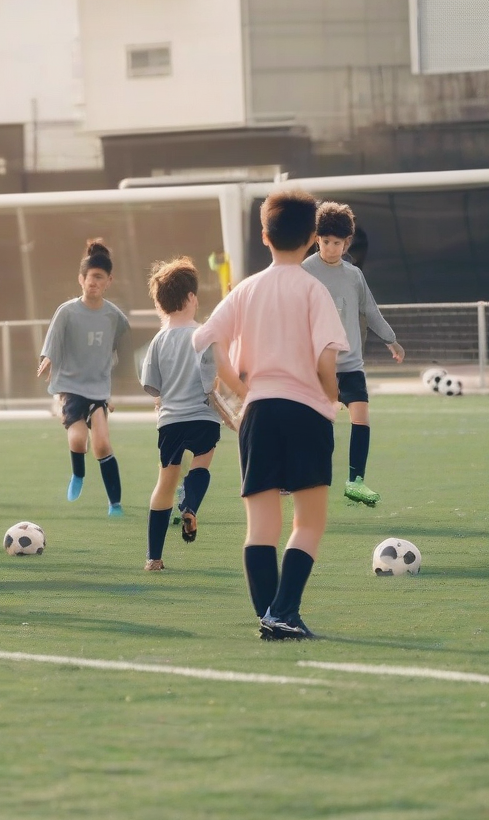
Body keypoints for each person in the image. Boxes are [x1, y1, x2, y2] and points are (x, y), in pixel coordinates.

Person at [193, 189, 348, 640]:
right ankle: (283, 613)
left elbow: (205, 340)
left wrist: (243, 390)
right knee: (309, 522)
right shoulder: (313, 290)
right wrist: (332, 396)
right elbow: (325, 362)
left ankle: (272, 618)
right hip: (305, 414)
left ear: (264, 236)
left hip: (258, 414)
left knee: (261, 526)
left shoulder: (245, 289)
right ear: (313, 238)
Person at [302, 202, 404, 507]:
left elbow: (369, 310)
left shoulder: (354, 275)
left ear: (347, 243)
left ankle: (356, 481)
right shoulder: (304, 271)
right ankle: (306, 477)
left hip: (350, 364)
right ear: (316, 238)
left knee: (361, 418)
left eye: (339, 243)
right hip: (319, 365)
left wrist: (391, 340)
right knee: (320, 426)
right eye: (327, 241)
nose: (332, 248)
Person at [139, 257, 223, 572]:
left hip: (170, 421)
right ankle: (189, 506)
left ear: (161, 304)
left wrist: (164, 397)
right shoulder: (202, 334)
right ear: (191, 299)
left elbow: (151, 385)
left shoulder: (158, 341)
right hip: (202, 416)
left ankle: (154, 558)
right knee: (201, 463)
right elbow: (210, 378)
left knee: (164, 484)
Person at [37, 239, 130, 517]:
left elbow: (123, 344)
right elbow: (53, 341)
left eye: (100, 278)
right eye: (90, 278)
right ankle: (78, 474)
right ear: (81, 280)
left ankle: (115, 503)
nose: (94, 283)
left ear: (109, 281)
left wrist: (118, 374)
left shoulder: (114, 316)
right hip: (70, 386)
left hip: (98, 388)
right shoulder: (67, 311)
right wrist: (48, 359)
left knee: (102, 444)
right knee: (79, 440)